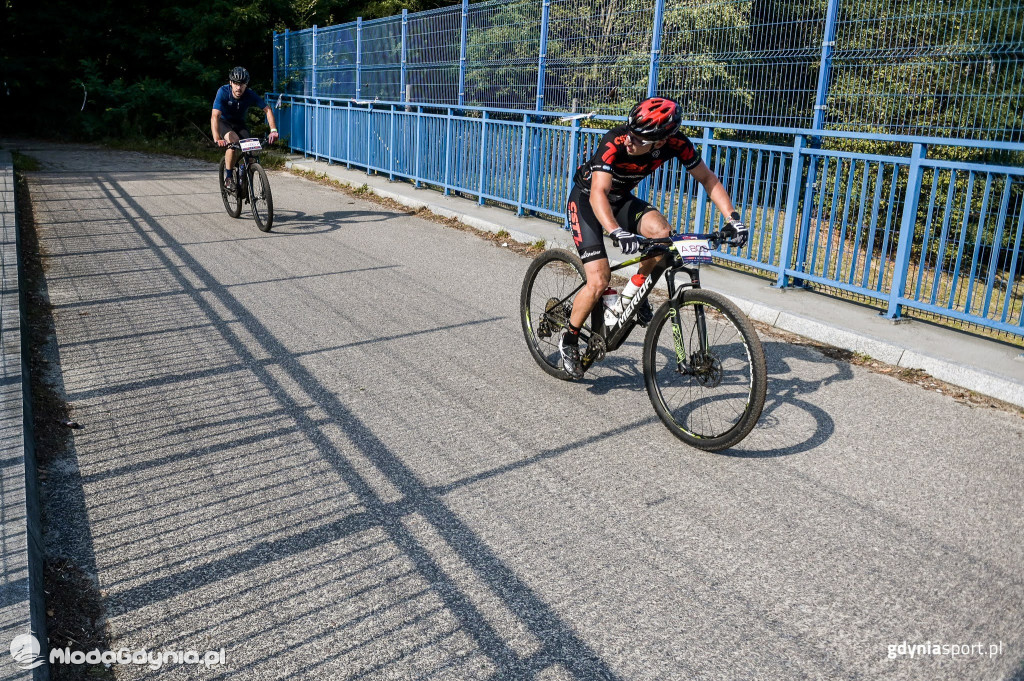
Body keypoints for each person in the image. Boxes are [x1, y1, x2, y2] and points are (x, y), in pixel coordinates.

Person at [559, 96, 748, 379]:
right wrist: (617, 231)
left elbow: (708, 179)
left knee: (662, 236)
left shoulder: (676, 144)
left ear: (660, 142)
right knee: (599, 279)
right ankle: (569, 341)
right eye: (630, 131)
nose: (629, 140)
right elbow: (598, 192)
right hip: (587, 201)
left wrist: (733, 219)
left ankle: (634, 292)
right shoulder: (614, 141)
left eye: (639, 138)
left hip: (621, 199)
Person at [211, 66, 279, 192]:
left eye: (242, 84)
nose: (239, 88)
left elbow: (267, 109)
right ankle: (229, 178)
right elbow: (215, 116)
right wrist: (217, 138)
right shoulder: (223, 92)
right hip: (224, 122)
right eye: (236, 84)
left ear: (246, 85)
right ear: (230, 83)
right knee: (234, 143)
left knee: (252, 150)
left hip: (240, 124)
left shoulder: (249, 94)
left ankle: (245, 172)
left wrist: (273, 130)